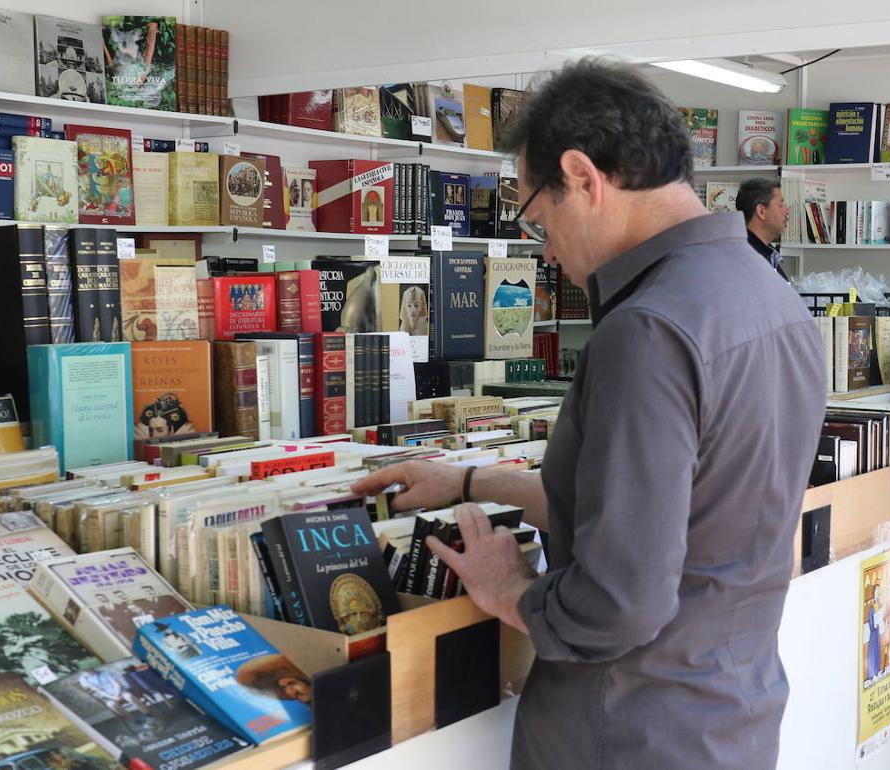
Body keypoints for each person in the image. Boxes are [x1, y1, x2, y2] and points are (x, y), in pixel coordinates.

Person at [351, 57, 826, 769]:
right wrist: (471, 482)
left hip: (625, 728)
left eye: (540, 219)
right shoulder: (771, 297)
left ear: (582, 176)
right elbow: (663, 511)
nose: (548, 254)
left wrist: (509, 590)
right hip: (732, 711)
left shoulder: (647, 330)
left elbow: (619, 602)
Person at [735, 176, 790, 280]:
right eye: (781, 204)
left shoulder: (767, 253)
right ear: (761, 211)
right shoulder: (746, 257)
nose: (786, 210)